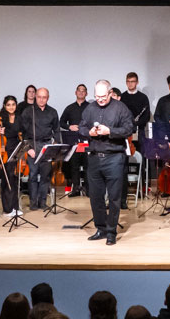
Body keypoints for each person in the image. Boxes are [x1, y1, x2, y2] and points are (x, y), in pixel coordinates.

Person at [79, 80, 135, 245]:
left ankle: (111, 232)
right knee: (95, 197)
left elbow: (129, 129)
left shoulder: (120, 108)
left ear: (110, 93)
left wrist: (110, 131)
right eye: (97, 96)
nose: (100, 99)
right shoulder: (90, 108)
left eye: (103, 96)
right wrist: (88, 132)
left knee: (114, 197)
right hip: (95, 157)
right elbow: (81, 127)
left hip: (114, 158)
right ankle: (100, 229)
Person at [21, 87, 61, 211]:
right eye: (39, 97)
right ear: (35, 97)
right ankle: (33, 202)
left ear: (47, 98)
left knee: (45, 176)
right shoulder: (28, 111)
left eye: (44, 97)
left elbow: (57, 130)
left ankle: (42, 202)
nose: (41, 99)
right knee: (32, 175)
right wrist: (28, 149)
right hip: (33, 146)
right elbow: (22, 133)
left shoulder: (53, 112)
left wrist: (56, 146)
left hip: (47, 146)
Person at [60, 84, 89, 197]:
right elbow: (61, 122)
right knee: (74, 166)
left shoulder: (91, 107)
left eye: (83, 91)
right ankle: (76, 188)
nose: (81, 93)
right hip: (74, 142)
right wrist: (69, 127)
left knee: (88, 166)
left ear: (86, 93)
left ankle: (88, 189)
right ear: (75, 92)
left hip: (86, 141)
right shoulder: (70, 108)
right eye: (79, 91)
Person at [0, 96, 23, 217]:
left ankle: (15, 206)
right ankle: (7, 209)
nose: (11, 107)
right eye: (8, 105)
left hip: (17, 149)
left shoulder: (19, 117)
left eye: (13, 104)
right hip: (5, 150)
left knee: (15, 179)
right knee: (7, 179)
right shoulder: (0, 118)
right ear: (4, 106)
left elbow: (23, 132)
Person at [120, 72, 151, 148]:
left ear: (137, 82)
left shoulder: (143, 97)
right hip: (125, 130)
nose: (130, 84)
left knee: (140, 153)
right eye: (128, 81)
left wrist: (136, 123)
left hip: (139, 131)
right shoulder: (122, 97)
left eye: (132, 81)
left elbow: (146, 116)